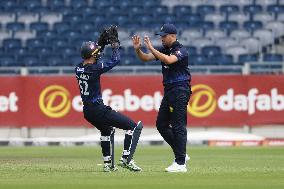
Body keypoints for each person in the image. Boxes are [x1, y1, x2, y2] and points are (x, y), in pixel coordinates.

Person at [75, 30, 142, 172]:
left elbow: (92, 57)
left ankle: (107, 164)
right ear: (92, 56)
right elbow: (115, 60)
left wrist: (100, 44)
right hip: (98, 109)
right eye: (96, 53)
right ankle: (126, 159)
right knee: (133, 127)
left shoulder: (79, 68)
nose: (98, 54)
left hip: (88, 111)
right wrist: (115, 45)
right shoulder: (95, 68)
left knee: (107, 130)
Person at [132, 23, 191, 172]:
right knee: (161, 124)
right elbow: (145, 58)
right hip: (170, 90)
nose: (162, 39)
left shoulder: (181, 50)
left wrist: (151, 48)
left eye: (164, 36)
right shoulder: (165, 49)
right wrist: (138, 49)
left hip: (180, 90)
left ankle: (180, 163)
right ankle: (181, 152)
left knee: (178, 126)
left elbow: (169, 60)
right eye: (161, 36)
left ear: (173, 36)